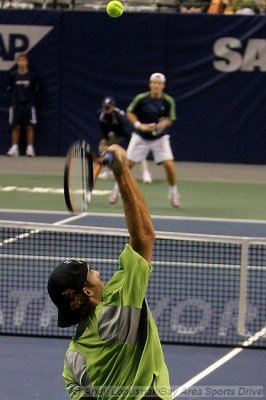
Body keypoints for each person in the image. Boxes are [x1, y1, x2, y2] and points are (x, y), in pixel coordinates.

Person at [47, 144, 172, 400]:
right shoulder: (118, 312)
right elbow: (144, 235)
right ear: (86, 289)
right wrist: (122, 172)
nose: (98, 272)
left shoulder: (72, 359)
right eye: (91, 272)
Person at [109, 73, 180, 208]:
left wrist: (161, 125)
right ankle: (116, 191)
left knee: (169, 165)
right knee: (126, 166)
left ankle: (173, 193)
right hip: (140, 137)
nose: (156, 85)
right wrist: (140, 126)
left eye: (159, 83)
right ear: (150, 84)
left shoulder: (168, 101)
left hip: (160, 138)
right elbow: (130, 112)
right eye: (154, 83)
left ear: (163, 86)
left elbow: (170, 119)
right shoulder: (141, 98)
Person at [97, 96, 152, 183]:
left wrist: (133, 142)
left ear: (113, 107)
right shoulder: (100, 114)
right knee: (102, 146)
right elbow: (103, 128)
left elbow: (128, 128)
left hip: (129, 132)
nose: (107, 109)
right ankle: (107, 171)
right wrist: (105, 138)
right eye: (105, 107)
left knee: (139, 150)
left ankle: (146, 173)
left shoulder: (119, 115)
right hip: (116, 134)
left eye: (109, 107)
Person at [6, 53, 39, 157]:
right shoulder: (13, 75)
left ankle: (30, 148)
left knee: (29, 126)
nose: (21, 62)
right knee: (15, 127)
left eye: (23, 60)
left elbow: (35, 89)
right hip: (16, 105)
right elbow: (10, 88)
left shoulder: (32, 76)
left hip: (28, 105)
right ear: (17, 62)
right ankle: (14, 148)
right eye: (19, 60)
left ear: (27, 62)